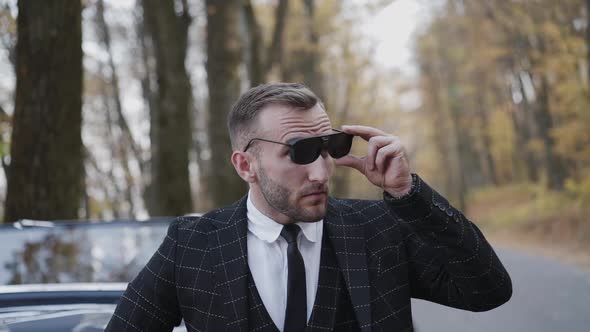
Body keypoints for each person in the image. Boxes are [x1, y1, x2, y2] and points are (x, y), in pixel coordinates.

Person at [106, 83, 512, 332]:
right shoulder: (191, 245)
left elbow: (487, 290)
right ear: (246, 165)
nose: (321, 172)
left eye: (330, 148)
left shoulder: (380, 227)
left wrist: (410, 194)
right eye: (301, 153)